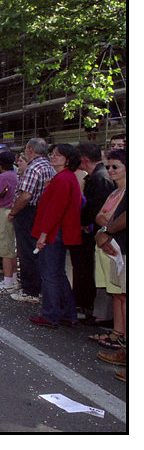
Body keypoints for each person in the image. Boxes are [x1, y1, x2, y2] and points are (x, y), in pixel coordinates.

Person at [28, 144, 82, 328]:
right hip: (59, 231)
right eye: (53, 154)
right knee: (58, 274)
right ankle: (67, 313)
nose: (53, 157)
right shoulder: (66, 178)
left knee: (49, 274)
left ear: (68, 159)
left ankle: (51, 314)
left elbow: (54, 210)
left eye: (58, 155)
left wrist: (43, 235)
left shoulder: (62, 179)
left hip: (53, 232)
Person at [70, 143, 116, 318]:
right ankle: (85, 304)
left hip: (97, 233)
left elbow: (96, 209)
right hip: (94, 231)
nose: (112, 170)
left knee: (88, 270)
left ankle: (87, 305)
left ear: (84, 159)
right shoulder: (95, 177)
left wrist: (83, 222)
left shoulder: (100, 178)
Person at [8, 138, 56, 304]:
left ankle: (30, 290)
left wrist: (13, 212)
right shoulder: (49, 167)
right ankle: (39, 288)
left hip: (29, 212)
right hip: (42, 211)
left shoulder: (33, 167)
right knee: (37, 251)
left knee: (27, 251)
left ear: (30, 150)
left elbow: (26, 195)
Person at [92, 150, 127, 366]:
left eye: (116, 167)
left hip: (119, 248)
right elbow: (100, 216)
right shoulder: (115, 192)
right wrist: (104, 230)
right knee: (118, 294)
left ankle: (123, 340)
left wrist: (106, 231)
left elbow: (118, 219)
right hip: (112, 247)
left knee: (124, 295)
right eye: (109, 167)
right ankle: (119, 336)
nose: (111, 171)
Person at [0, 151, 20, 294]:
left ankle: (8, 282)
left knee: (4, 248)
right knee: (10, 247)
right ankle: (13, 279)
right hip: (12, 211)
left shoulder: (2, 177)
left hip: (2, 212)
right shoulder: (15, 175)